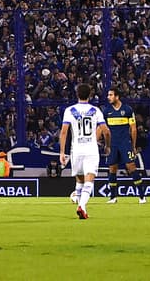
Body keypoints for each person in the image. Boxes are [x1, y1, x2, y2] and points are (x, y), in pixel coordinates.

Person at [60, 82, 109, 220]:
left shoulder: (69, 110)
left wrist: (62, 152)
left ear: (77, 94)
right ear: (90, 95)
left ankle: (81, 207)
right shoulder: (96, 110)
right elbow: (106, 131)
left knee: (80, 180)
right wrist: (108, 145)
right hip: (91, 149)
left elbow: (64, 132)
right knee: (89, 179)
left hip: (76, 150)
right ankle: (82, 205)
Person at [103, 89, 145, 204]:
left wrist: (133, 145)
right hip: (113, 144)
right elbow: (103, 128)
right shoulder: (106, 111)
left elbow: (133, 128)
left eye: (110, 95)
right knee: (112, 169)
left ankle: (142, 196)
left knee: (131, 167)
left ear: (117, 96)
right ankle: (113, 197)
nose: (108, 97)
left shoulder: (127, 109)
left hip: (125, 143)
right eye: (108, 95)